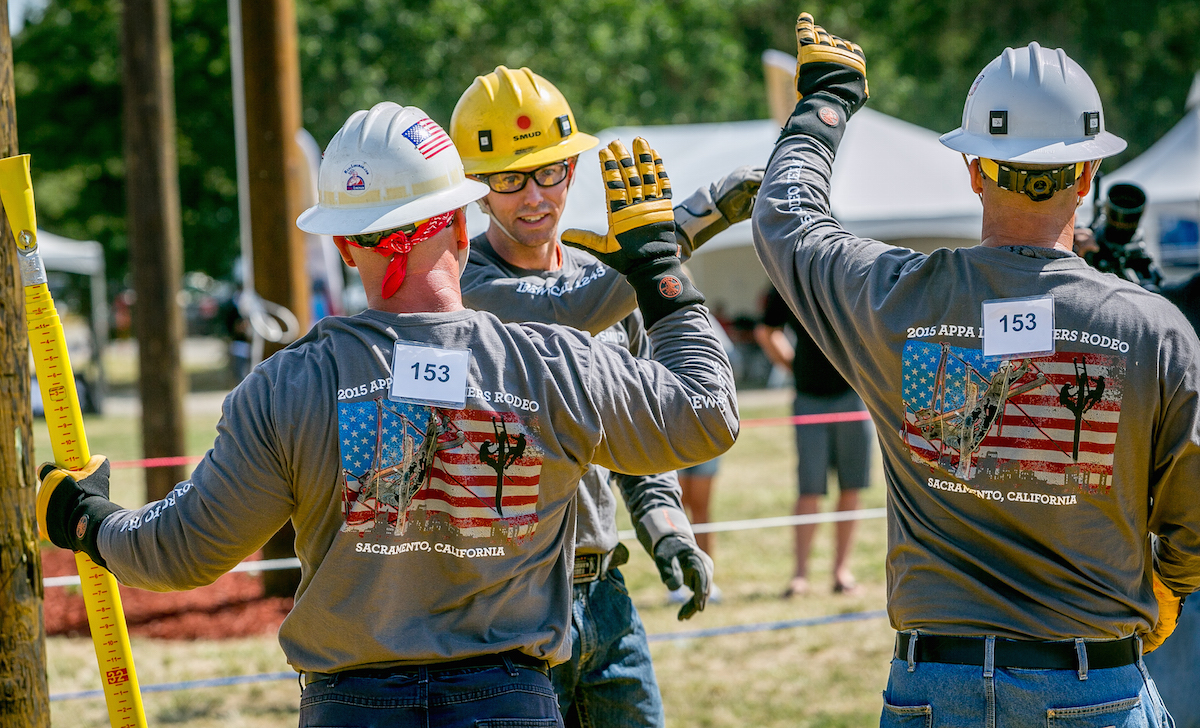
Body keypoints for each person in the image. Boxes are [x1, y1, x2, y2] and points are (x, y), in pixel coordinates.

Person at [36, 102, 738, 727]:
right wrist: (660, 272)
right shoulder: (551, 365)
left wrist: (87, 520)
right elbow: (706, 414)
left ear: (344, 244)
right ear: (462, 226)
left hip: (352, 709)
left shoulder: (291, 385)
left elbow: (181, 551)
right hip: (510, 703)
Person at [752, 13, 1198, 726]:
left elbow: (785, 219)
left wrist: (824, 105)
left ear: (972, 169)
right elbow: (1193, 518)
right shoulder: (1153, 331)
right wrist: (1171, 588)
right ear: (1086, 174)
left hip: (933, 687)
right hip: (1095, 686)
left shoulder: (896, 302)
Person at [449, 65, 758, 726]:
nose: (534, 196)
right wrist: (689, 223)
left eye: (549, 172)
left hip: (608, 599)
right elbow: (559, 311)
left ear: (572, 169)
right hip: (511, 609)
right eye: (508, 179)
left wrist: (666, 529)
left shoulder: (608, 281)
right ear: (476, 187)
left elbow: (638, 428)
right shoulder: (464, 289)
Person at [755, 284, 872, 597]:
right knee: (809, 489)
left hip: (853, 394)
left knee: (852, 486)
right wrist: (793, 367)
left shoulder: (849, 273)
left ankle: (841, 573)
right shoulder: (786, 277)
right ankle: (800, 576)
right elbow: (767, 332)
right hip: (808, 398)